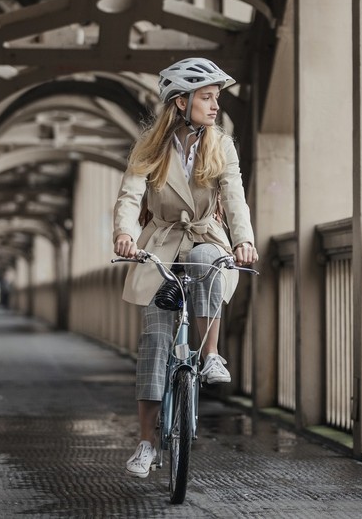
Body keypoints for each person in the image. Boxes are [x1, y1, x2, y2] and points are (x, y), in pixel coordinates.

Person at [111, 57, 258, 478]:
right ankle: (145, 442)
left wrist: (244, 240)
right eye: (206, 98)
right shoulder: (149, 147)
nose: (214, 107)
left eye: (216, 99)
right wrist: (123, 234)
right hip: (160, 243)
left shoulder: (221, 145)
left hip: (206, 236)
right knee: (155, 343)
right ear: (180, 102)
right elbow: (129, 194)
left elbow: (234, 196)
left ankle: (211, 355)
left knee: (204, 260)